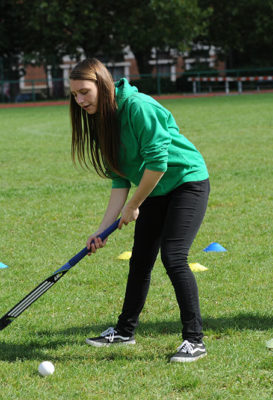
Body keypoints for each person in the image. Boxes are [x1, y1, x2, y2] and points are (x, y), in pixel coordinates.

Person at [69, 58, 210, 363]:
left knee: (173, 257)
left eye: (84, 92)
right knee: (141, 259)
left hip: (186, 181)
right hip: (154, 188)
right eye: (75, 95)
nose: (80, 100)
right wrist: (101, 229)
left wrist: (134, 205)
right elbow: (120, 177)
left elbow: (158, 163)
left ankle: (194, 340)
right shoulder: (101, 119)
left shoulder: (137, 107)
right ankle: (124, 332)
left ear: (102, 85)